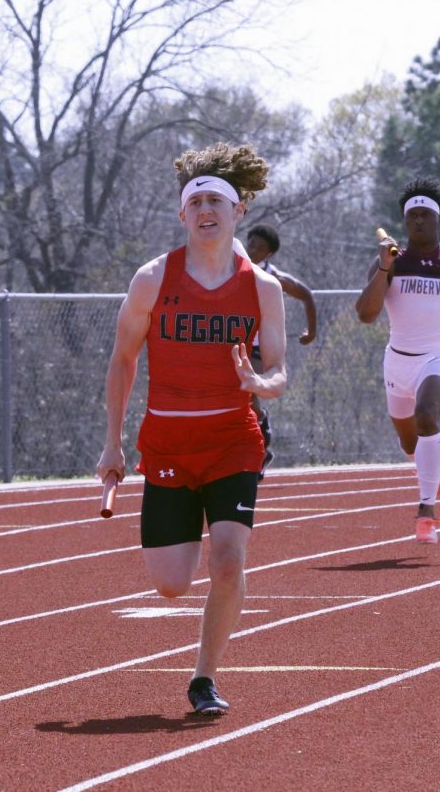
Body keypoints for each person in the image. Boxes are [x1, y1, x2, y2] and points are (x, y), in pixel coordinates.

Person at [96, 143, 286, 716]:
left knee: (227, 563)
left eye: (217, 201)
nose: (206, 209)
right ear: (183, 215)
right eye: (195, 200)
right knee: (171, 585)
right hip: (169, 443)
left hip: (234, 440)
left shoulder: (263, 288)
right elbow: (123, 358)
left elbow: (279, 371)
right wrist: (112, 440)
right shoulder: (154, 279)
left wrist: (260, 384)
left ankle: (204, 678)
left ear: (238, 212)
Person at [355, 177, 440, 544]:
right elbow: (365, 314)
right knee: (410, 443)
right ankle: (430, 470)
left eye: (424, 215)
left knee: (427, 416)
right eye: (412, 215)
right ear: (404, 222)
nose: (418, 221)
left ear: (437, 220)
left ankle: (426, 510)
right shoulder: (390, 261)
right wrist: (384, 268)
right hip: (398, 362)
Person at [244, 223, 317, 477]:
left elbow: (306, 295)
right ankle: (252, 444)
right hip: (232, 343)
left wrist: (312, 331)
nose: (252, 250)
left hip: (259, 347)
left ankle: (262, 445)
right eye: (250, 244)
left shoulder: (273, 277)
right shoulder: (231, 267)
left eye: (259, 248)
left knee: (245, 389)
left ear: (269, 254)